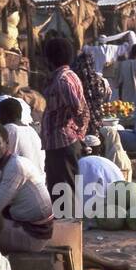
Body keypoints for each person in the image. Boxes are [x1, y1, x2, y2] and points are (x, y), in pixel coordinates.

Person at [0, 122, 54, 252]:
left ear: (7, 143)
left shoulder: (15, 166)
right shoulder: (3, 166)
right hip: (24, 226)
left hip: (33, 236)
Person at [41, 37, 90, 196]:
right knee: (61, 192)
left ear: (49, 58)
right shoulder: (67, 76)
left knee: (65, 194)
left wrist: (77, 134)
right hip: (58, 144)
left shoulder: (63, 81)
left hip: (62, 145)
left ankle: (70, 221)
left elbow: (80, 110)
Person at [0, 97, 45, 182]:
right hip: (40, 183)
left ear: (5, 115)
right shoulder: (31, 130)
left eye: (0, 115)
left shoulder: (9, 129)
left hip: (24, 186)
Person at [71, 46, 111, 139]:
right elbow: (107, 96)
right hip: (97, 121)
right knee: (97, 143)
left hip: (81, 124)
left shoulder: (75, 82)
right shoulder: (100, 81)